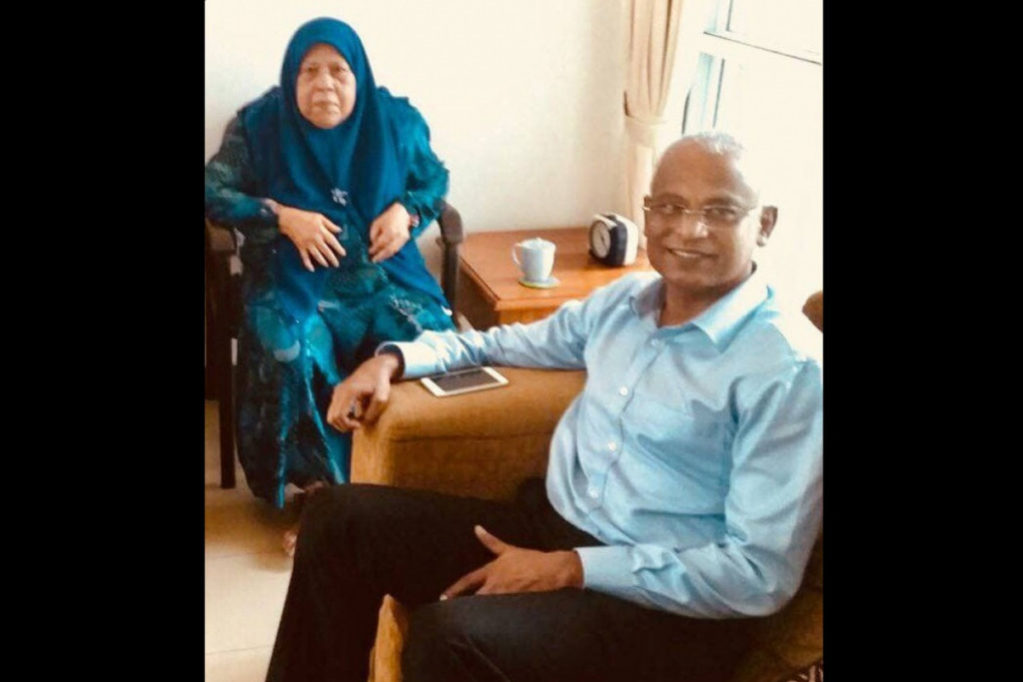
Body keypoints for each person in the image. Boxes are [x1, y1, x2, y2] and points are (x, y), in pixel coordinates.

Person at [265, 131, 823, 682]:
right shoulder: (623, 305)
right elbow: (496, 343)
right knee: (338, 521)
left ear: (765, 223)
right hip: (555, 530)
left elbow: (758, 574)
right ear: (647, 213)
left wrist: (575, 569)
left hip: (666, 610)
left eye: (720, 211)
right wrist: (392, 360)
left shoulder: (786, 367)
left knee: (450, 638)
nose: (689, 229)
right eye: (671, 207)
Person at [204, 18, 456, 530]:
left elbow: (434, 179)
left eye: (339, 71)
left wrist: (407, 213)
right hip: (291, 277)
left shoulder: (396, 122)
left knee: (434, 338)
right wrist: (280, 216)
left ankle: (401, 480)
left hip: (382, 280)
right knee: (285, 347)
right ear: (291, 77)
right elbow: (214, 192)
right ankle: (319, 494)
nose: (324, 84)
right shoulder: (259, 127)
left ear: (358, 75)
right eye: (310, 71)